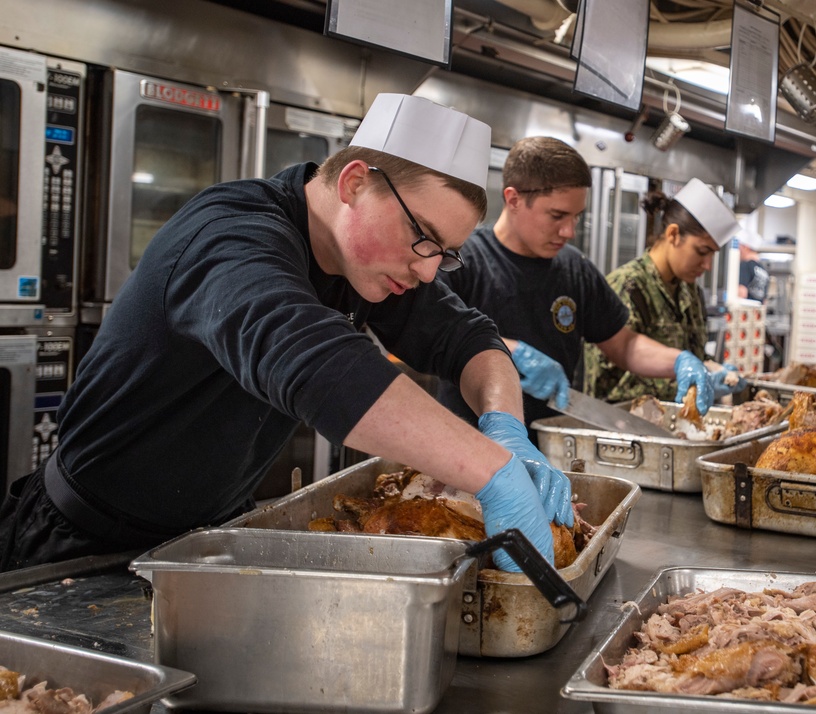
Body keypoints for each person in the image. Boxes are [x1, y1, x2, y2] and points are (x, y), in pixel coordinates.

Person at [0, 94, 572, 574]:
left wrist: (505, 428)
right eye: (422, 236)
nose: (427, 269)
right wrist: (490, 472)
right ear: (353, 184)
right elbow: (315, 364)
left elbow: (468, 338)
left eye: (444, 254)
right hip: (83, 548)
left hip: (212, 542)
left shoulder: (367, 260)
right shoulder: (230, 238)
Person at [436, 136, 717, 439]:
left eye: (575, 217)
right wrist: (505, 350)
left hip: (555, 443)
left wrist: (677, 361)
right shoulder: (461, 261)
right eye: (557, 216)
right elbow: (434, 332)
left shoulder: (575, 269)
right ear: (513, 199)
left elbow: (623, 344)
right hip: (470, 443)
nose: (569, 231)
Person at [584, 179, 747, 406]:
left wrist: (713, 370)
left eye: (713, 255)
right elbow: (608, 381)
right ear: (673, 234)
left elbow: (692, 355)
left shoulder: (690, 292)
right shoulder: (628, 286)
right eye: (702, 252)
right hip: (628, 427)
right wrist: (691, 380)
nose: (707, 265)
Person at [738, 231, 770, 303]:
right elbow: (764, 300)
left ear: (746, 247)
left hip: (745, 310)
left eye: (740, 247)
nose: (738, 251)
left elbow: (741, 293)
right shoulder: (763, 270)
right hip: (756, 310)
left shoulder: (745, 266)